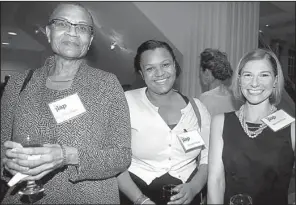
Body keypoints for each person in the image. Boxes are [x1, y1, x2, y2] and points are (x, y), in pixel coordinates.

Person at [1, 3, 131, 204]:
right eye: (62, 23)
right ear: (48, 32)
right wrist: (7, 163)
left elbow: (122, 156)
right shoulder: (18, 84)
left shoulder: (107, 85)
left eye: (81, 27)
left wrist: (67, 156)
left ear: (90, 40)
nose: (72, 32)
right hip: (24, 197)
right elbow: (3, 147)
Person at [117, 40, 210, 205]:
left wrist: (194, 187)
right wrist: (140, 200)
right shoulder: (126, 102)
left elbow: (207, 158)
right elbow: (115, 161)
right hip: (136, 193)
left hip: (187, 196)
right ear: (141, 73)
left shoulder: (198, 108)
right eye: (150, 68)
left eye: (165, 64)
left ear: (174, 65)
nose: (159, 73)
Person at [207, 48, 295, 205]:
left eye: (264, 75)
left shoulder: (292, 128)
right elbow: (216, 181)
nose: (254, 83)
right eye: (248, 75)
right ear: (239, 80)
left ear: (275, 80)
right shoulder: (220, 122)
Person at [199, 48, 241, 116]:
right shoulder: (237, 99)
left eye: (200, 71)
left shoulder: (205, 99)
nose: (199, 76)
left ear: (207, 72)